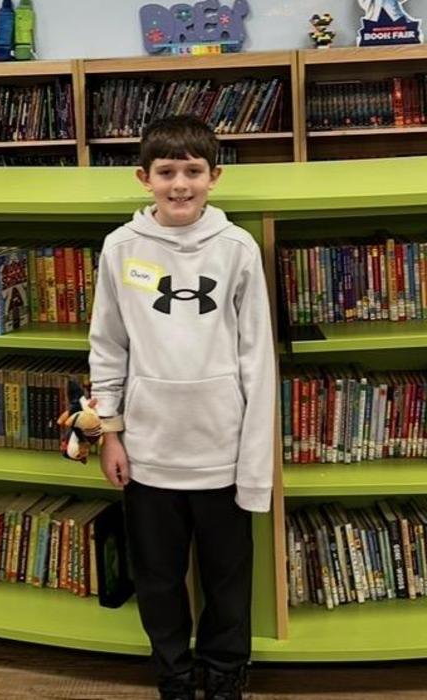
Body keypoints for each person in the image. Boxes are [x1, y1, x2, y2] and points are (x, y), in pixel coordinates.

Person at [88, 114, 275, 700]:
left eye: (193, 172)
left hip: (220, 450)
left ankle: (224, 678)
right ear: (144, 178)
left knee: (226, 582)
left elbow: (257, 360)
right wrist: (110, 432)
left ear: (214, 176)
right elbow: (107, 344)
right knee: (160, 579)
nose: (180, 185)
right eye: (166, 172)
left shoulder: (236, 248)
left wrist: (254, 463)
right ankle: (172, 675)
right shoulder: (120, 248)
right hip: (148, 451)